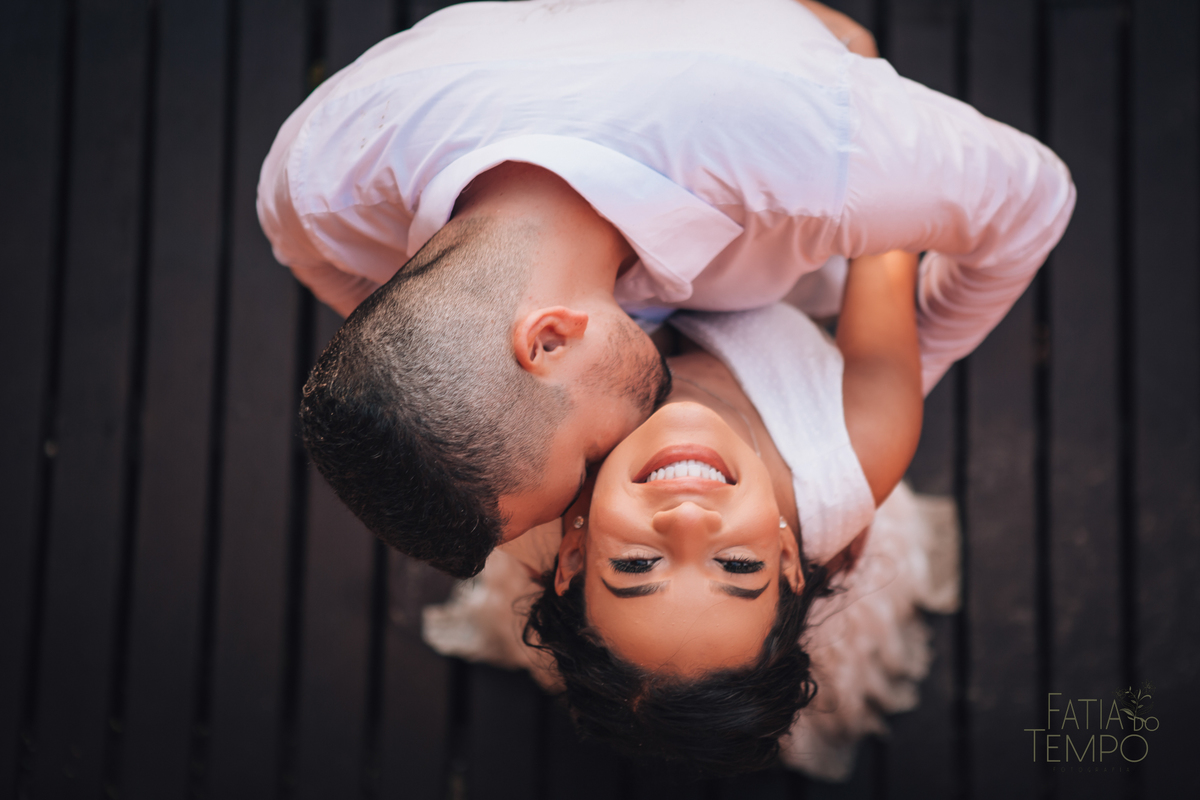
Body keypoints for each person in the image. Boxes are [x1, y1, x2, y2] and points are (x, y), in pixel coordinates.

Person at [259, 0, 1074, 578]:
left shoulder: (825, 155)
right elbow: (343, 282)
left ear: (549, 339)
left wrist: (900, 376)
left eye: (581, 463)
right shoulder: (314, 179)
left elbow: (1037, 200)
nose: (599, 480)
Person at [424, 251, 959, 776]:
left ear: (572, 555)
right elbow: (887, 244)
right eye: (737, 565)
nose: (688, 520)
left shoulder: (513, 494)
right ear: (789, 553)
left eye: (635, 564)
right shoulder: (860, 444)